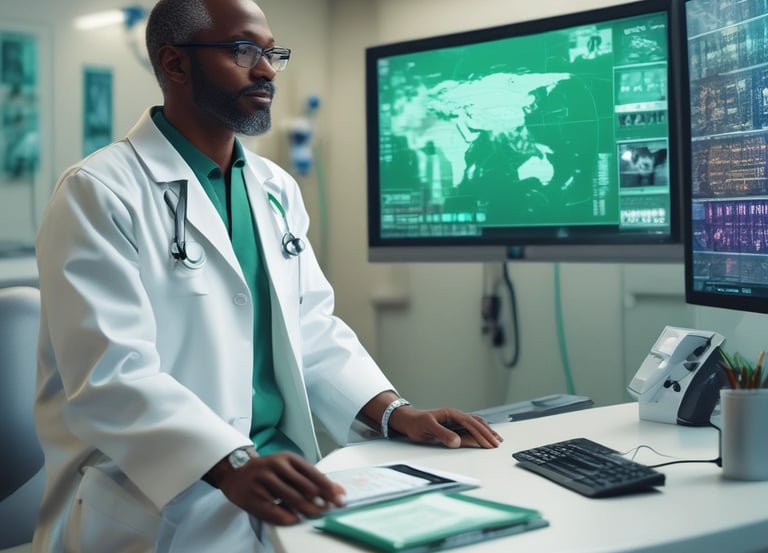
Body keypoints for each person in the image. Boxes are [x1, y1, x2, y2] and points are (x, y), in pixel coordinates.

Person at [31, 0, 502, 551]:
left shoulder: (275, 189)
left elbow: (312, 329)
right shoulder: (98, 192)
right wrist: (228, 461)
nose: (267, 70)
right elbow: (112, 375)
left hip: (281, 478)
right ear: (175, 64)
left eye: (271, 52)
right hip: (161, 497)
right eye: (243, 51)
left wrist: (396, 413)